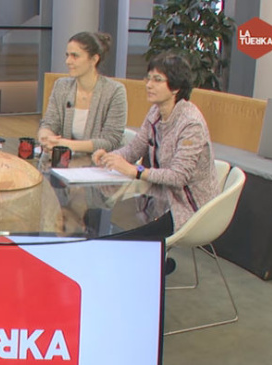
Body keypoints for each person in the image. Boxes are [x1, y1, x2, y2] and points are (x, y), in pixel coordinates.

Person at [92, 52, 219, 237]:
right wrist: (111, 157)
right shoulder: (155, 112)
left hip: (187, 206)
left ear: (176, 88)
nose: (149, 85)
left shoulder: (191, 124)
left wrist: (135, 171)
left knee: (122, 236)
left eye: (157, 80)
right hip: (158, 197)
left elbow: (178, 177)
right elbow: (134, 148)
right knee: (108, 220)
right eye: (149, 78)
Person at [38, 31, 127, 153]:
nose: (68, 61)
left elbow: (110, 141)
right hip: (66, 160)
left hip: (100, 161)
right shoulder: (61, 86)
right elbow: (49, 123)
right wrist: (45, 137)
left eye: (75, 56)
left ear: (94, 59)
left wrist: (65, 145)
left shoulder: (115, 91)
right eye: (67, 55)